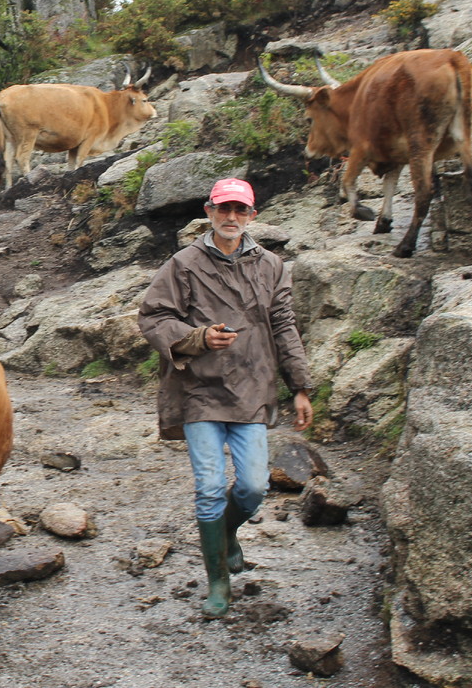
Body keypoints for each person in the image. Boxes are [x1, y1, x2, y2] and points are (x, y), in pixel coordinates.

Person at [136, 177, 313, 618]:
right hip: (199, 389)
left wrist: (302, 387)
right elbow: (153, 316)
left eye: (240, 210)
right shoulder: (183, 263)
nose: (231, 217)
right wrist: (197, 337)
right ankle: (218, 581)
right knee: (211, 489)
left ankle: (227, 533)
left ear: (252, 214)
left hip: (253, 387)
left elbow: (284, 325)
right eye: (223, 209)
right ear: (208, 211)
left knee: (254, 486)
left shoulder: (272, 265)